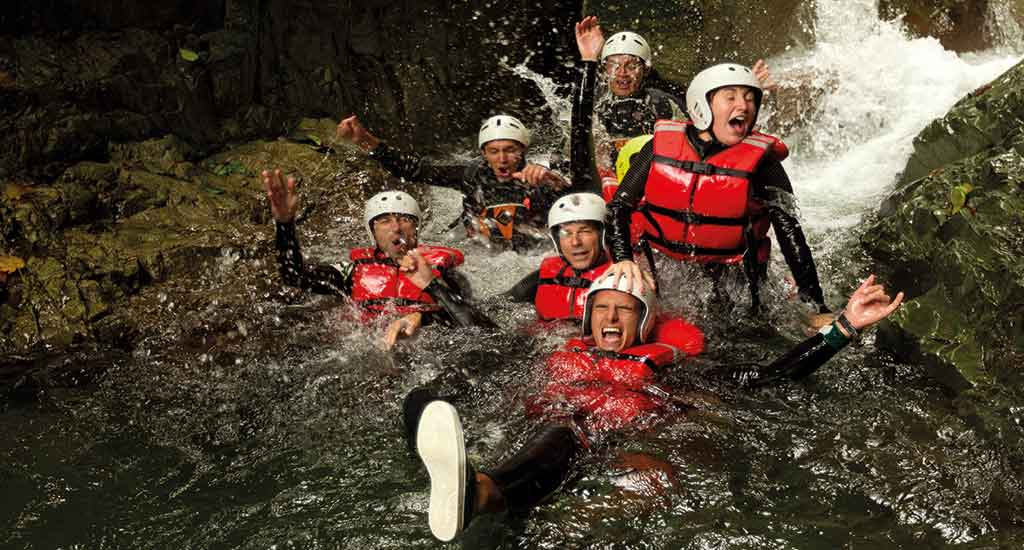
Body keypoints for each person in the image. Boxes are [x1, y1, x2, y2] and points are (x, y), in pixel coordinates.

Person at [408, 273, 903, 541]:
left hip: (612, 441)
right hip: (544, 431)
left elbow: (768, 376)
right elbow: (486, 340)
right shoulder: (556, 355)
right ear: (587, 319)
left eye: (624, 309)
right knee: (551, 425)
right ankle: (477, 489)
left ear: (644, 324)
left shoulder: (668, 369)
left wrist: (843, 328)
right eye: (602, 308)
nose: (610, 316)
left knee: (573, 432)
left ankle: (484, 492)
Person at [603, 62, 830, 315]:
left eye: (749, 98)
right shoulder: (658, 146)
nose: (743, 106)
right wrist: (623, 259)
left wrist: (816, 306)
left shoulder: (764, 164)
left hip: (736, 285)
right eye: (730, 97)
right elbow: (619, 207)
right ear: (702, 105)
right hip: (665, 269)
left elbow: (790, 233)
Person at [263, 169, 489, 348]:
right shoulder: (352, 272)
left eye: (404, 219)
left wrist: (422, 317)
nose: (396, 228)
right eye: (385, 221)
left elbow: (482, 333)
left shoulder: (443, 273)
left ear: (416, 228)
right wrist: (285, 224)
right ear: (372, 232)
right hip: (368, 354)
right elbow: (293, 275)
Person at [574, 16, 774, 199]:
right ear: (604, 69)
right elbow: (579, 139)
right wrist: (589, 59)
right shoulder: (595, 106)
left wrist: (742, 93)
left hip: (654, 181)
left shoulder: (663, 104)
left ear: (645, 70)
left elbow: (708, 132)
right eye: (614, 65)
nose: (622, 73)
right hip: (606, 185)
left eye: (632, 65)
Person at [336, 114, 571, 250]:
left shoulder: (543, 179)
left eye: (510, 150)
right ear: (483, 153)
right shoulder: (471, 176)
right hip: (479, 253)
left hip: (529, 254)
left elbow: (579, 210)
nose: (502, 159)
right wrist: (364, 139)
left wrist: (558, 186)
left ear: (523, 150)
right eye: (493, 151)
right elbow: (413, 170)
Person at [504, 192, 611, 321]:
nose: (575, 242)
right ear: (556, 240)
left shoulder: (619, 279)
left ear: (602, 235)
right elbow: (500, 305)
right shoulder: (546, 274)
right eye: (566, 233)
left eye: (585, 231)